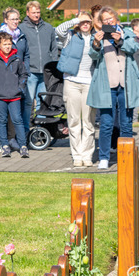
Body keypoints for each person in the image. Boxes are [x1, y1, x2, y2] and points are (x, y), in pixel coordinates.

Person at [87, 7, 139, 170]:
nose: (108, 21)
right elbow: (93, 55)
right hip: (107, 85)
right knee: (106, 123)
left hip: (126, 85)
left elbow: (133, 48)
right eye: (105, 19)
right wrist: (96, 43)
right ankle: (104, 157)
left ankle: (126, 156)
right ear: (101, 22)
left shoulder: (127, 33)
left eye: (110, 18)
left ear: (116, 19)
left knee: (126, 123)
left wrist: (120, 40)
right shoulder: (97, 36)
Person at [57, 13, 96, 167]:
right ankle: (77, 155)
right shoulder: (70, 36)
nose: (85, 24)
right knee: (74, 121)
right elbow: (59, 30)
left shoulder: (95, 37)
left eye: (88, 22)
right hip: (72, 82)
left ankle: (87, 154)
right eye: (82, 21)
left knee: (88, 121)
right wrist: (76, 20)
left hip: (89, 82)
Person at [0, 31, 30, 159]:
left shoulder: (17, 59)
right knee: (2, 121)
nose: (7, 46)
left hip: (14, 95)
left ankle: (23, 146)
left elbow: (23, 74)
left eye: (9, 44)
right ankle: (4, 145)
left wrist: (20, 88)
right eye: (5, 44)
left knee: (17, 119)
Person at [19, 1, 58, 107]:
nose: (36, 15)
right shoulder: (22, 28)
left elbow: (54, 48)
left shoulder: (48, 27)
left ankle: (41, 118)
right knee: (28, 101)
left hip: (46, 71)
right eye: (33, 12)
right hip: (30, 71)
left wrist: (53, 65)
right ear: (27, 13)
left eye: (38, 12)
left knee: (43, 101)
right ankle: (27, 118)